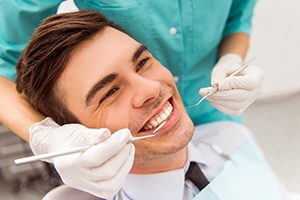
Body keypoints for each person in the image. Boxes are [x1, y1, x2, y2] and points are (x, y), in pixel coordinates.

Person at [0, 0, 264, 198]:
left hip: (212, 107)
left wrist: (232, 59)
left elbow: (238, 15)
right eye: (110, 92)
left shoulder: (234, 140)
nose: (150, 89)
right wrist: (44, 136)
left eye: (143, 62)